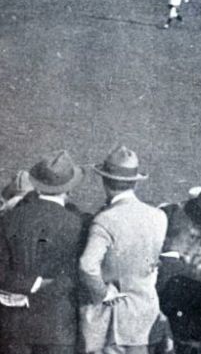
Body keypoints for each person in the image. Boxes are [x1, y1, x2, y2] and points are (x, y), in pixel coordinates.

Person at [0, 150, 87, 354]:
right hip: (59, 328)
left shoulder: (9, 219)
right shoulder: (77, 224)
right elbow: (78, 275)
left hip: (15, 327)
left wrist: (30, 286)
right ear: (69, 189)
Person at [79, 146, 168, 354]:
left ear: (105, 181)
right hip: (144, 317)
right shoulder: (158, 217)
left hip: (109, 321)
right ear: (135, 182)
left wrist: (102, 292)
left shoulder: (104, 220)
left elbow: (86, 264)